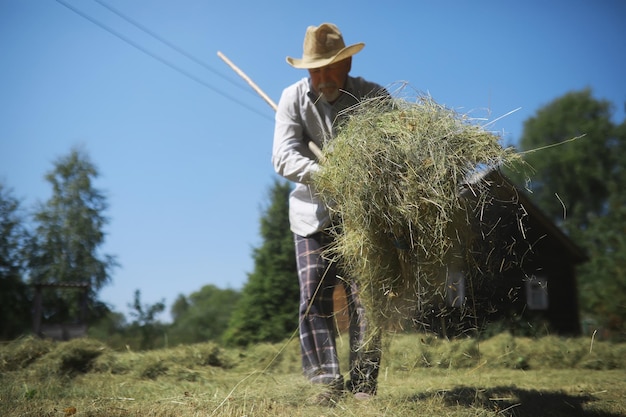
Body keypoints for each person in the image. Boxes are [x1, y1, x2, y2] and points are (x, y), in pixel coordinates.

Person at [272, 22, 388, 403]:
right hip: (312, 215)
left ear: (348, 65)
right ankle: (325, 383)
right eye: (315, 69)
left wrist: (367, 170)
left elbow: (396, 145)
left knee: (366, 298)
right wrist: (326, 173)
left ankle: (364, 386)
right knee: (313, 296)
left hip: (362, 216)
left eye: (330, 67)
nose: (322, 76)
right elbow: (283, 156)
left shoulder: (374, 98)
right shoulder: (293, 99)